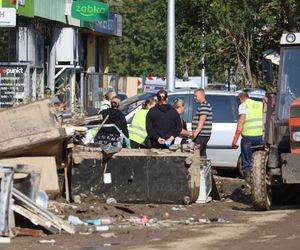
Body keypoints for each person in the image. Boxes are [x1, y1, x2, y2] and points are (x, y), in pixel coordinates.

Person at [232, 91, 263, 182]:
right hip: (261, 136)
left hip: (248, 138)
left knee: (247, 163)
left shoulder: (243, 105)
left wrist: (234, 140)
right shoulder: (260, 104)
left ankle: (249, 181)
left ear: (240, 99)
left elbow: (241, 121)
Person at [192, 88, 213, 157]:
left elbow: (201, 121)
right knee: (202, 153)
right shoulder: (203, 105)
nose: (194, 98)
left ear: (202, 95)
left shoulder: (204, 106)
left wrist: (195, 133)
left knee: (196, 152)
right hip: (202, 135)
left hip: (202, 135)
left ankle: (200, 167)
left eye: (196, 96)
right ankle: (204, 167)